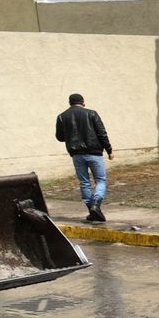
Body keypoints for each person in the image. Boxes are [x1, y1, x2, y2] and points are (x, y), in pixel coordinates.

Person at [54, 93, 113, 222]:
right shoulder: (92, 113)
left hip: (76, 154)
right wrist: (109, 150)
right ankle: (96, 205)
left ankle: (91, 210)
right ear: (83, 102)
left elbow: (60, 137)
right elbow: (101, 133)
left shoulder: (62, 117)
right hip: (94, 152)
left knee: (84, 182)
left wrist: (70, 135)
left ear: (70, 103)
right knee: (100, 180)